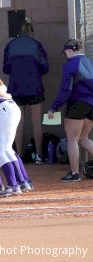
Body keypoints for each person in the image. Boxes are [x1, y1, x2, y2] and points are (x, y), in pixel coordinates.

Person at [3, 21, 49, 164]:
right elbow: (45, 67)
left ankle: (18, 156)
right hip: (34, 86)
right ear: (31, 31)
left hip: (16, 87)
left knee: (18, 122)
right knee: (36, 122)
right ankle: (39, 156)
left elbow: (6, 69)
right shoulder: (37, 45)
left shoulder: (10, 45)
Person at [48, 39, 93, 182]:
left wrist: (54, 107)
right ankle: (74, 172)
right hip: (92, 103)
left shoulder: (70, 64)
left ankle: (74, 173)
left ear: (68, 50)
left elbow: (65, 89)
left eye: (65, 52)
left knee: (72, 139)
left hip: (78, 103)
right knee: (83, 138)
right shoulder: (89, 61)